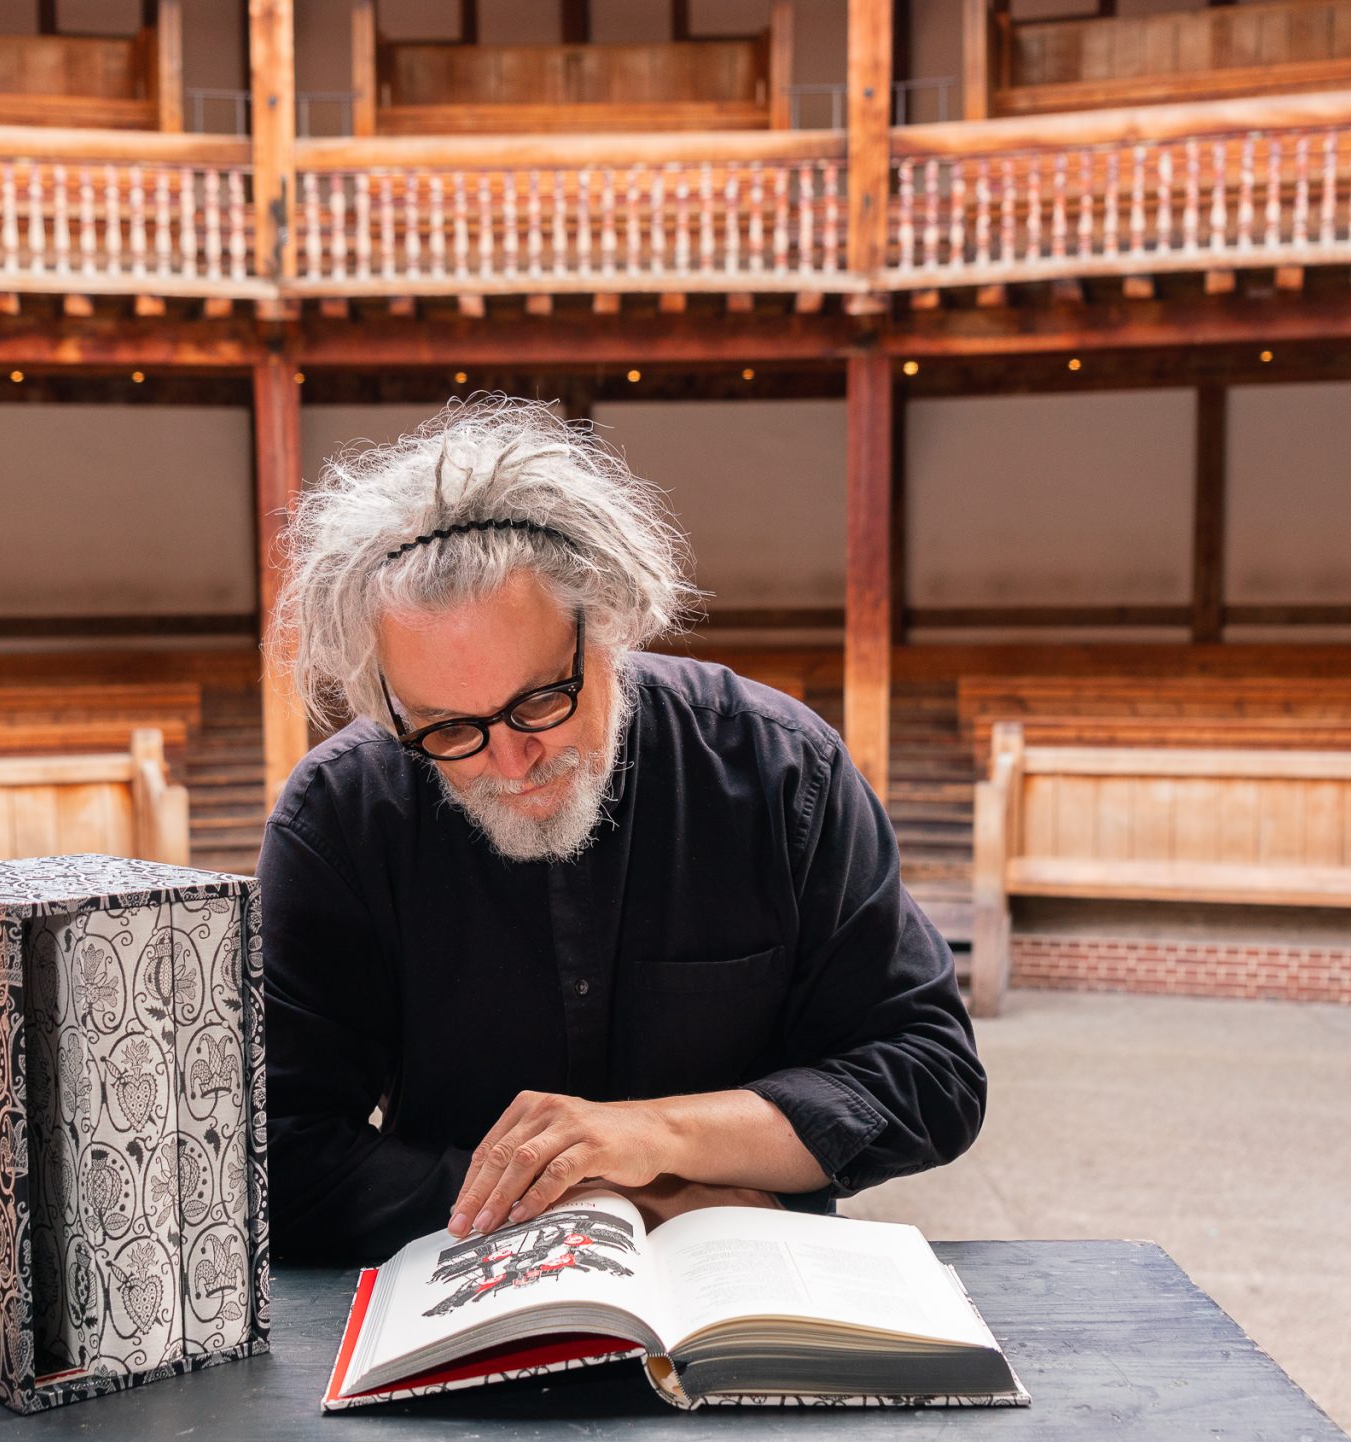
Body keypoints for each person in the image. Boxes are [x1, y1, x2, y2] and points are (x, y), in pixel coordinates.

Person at [259, 397, 984, 1266]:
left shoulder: (779, 767)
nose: (511, 761)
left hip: (750, 1297)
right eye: (449, 730)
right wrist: (600, 1198)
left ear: (610, 624)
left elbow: (930, 1073)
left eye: (540, 701)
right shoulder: (341, 815)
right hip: (464, 1292)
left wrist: (660, 1138)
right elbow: (278, 1155)